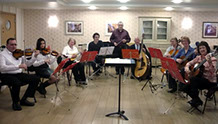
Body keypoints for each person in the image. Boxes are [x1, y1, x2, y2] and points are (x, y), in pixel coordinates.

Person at [0, 38, 40, 111]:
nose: (14, 46)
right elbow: (2, 68)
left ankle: (24, 99)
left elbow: (28, 64)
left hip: (18, 73)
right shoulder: (2, 55)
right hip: (6, 75)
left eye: (15, 44)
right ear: (7, 45)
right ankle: (15, 102)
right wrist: (18, 66)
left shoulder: (19, 53)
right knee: (16, 83)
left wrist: (35, 56)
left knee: (36, 78)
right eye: (11, 44)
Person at [183, 41, 217, 107]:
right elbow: (189, 63)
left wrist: (209, 62)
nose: (202, 49)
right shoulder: (198, 57)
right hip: (200, 80)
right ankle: (197, 100)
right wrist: (187, 67)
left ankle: (195, 101)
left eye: (203, 47)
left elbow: (213, 72)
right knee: (184, 87)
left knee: (193, 80)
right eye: (200, 48)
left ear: (207, 48)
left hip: (209, 81)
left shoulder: (213, 59)